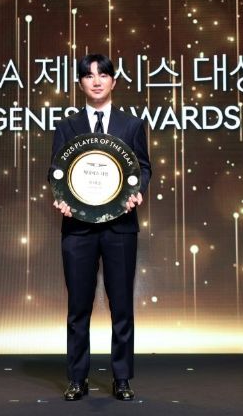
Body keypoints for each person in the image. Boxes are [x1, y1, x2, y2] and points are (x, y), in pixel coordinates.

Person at [48, 54, 152, 401]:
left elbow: (143, 167)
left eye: (103, 75)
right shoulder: (67, 126)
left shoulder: (131, 125)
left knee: (121, 306)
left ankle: (122, 378)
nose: (96, 81)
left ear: (113, 82)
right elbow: (56, 170)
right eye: (88, 75)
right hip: (77, 229)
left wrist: (137, 191)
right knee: (78, 308)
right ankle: (77, 378)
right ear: (80, 83)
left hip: (120, 227)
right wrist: (61, 197)